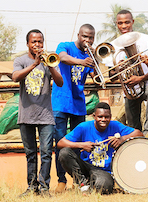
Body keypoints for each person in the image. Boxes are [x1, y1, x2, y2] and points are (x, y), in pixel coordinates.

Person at [12, 29, 63, 197]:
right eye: (34, 42)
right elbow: (15, 77)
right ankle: (31, 187)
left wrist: (51, 66)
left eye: (40, 41)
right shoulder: (21, 60)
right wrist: (34, 64)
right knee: (31, 154)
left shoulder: (49, 60)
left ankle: (44, 188)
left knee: (47, 153)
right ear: (27, 44)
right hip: (26, 114)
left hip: (46, 115)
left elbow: (60, 82)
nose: (37, 45)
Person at [57, 102, 143, 194]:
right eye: (100, 117)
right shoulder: (84, 127)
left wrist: (122, 139)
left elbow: (139, 134)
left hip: (104, 171)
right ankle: (82, 183)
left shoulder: (115, 125)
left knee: (104, 187)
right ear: (94, 116)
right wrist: (82, 145)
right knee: (64, 153)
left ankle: (91, 185)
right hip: (85, 166)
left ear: (110, 116)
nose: (103, 120)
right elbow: (60, 143)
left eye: (106, 117)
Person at [52, 24, 97, 193]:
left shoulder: (90, 55)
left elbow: (96, 76)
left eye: (91, 37)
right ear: (78, 35)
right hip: (61, 104)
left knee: (79, 144)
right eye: (84, 36)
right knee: (61, 144)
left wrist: (96, 67)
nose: (87, 40)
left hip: (79, 105)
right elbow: (62, 58)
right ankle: (61, 181)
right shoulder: (65, 46)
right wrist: (81, 61)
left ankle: (78, 181)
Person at [108, 10, 148, 139]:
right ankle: (135, 137)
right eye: (120, 23)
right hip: (130, 90)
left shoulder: (147, 40)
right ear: (117, 24)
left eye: (127, 22)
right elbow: (112, 76)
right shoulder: (112, 46)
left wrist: (140, 78)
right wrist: (119, 69)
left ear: (132, 22)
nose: (124, 26)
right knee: (133, 127)